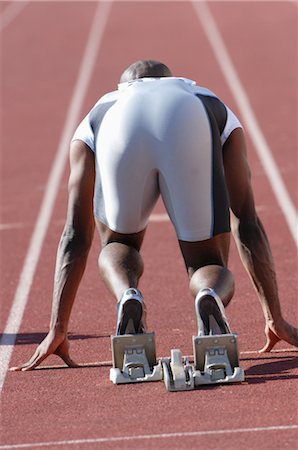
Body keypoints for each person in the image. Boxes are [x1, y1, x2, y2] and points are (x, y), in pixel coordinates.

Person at [11, 60, 298, 371]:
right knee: (207, 262)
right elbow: (247, 220)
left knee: (118, 245)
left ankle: (127, 294)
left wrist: (58, 328)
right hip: (190, 118)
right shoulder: (206, 101)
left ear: (123, 87)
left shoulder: (99, 113)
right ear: (172, 80)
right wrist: (275, 316)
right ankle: (209, 293)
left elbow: (74, 236)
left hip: (119, 127)